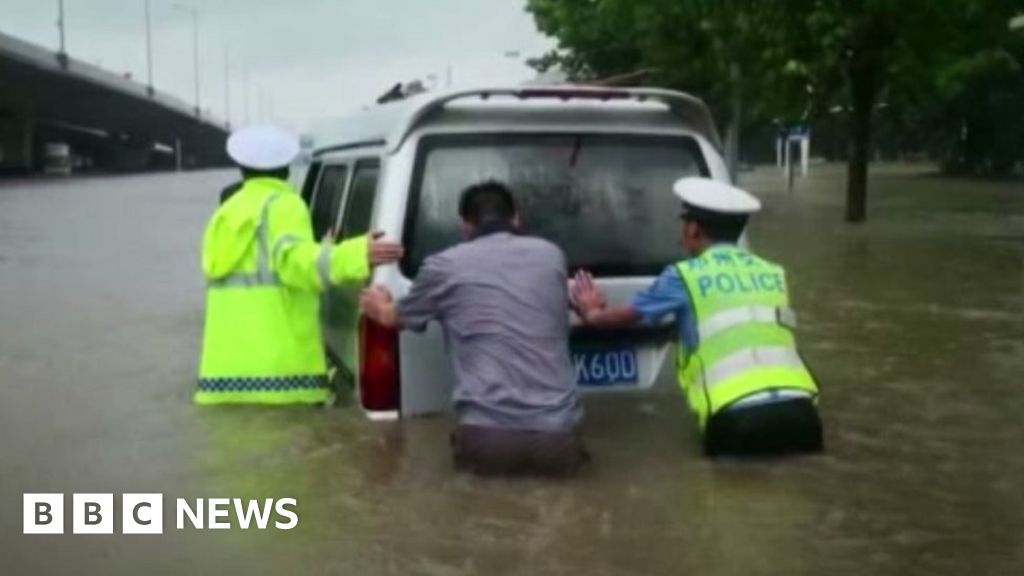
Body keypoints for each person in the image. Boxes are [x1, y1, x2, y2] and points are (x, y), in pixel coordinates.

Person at [571, 177, 823, 457]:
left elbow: (622, 317)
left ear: (693, 229)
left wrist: (591, 311)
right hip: (803, 415)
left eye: (683, 224)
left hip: (737, 418)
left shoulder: (683, 276)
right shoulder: (772, 272)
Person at [359, 181, 588, 477]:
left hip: (486, 437)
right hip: (559, 435)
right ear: (516, 219)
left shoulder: (443, 267)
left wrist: (380, 303)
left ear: (465, 225)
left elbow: (393, 318)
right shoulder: (552, 256)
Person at [196, 125, 403, 405]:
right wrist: (354, 253)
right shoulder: (284, 205)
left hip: (223, 378)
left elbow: (267, 263)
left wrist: (324, 248)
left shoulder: (225, 213)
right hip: (281, 378)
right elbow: (297, 264)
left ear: (241, 168)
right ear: (286, 168)